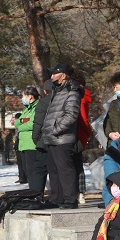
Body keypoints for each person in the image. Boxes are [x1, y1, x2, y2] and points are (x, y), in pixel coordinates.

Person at [42, 63, 82, 209]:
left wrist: (55, 129)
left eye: (54, 74)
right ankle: (56, 198)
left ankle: (70, 199)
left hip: (62, 138)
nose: (51, 77)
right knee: (53, 171)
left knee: (65, 170)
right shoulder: (57, 91)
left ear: (63, 75)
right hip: (52, 138)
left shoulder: (72, 91)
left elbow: (71, 115)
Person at [14, 87, 40, 191]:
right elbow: (16, 122)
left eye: (23, 96)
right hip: (23, 144)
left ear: (30, 96)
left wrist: (21, 126)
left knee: (32, 170)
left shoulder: (37, 107)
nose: (22, 98)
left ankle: (36, 191)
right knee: (26, 170)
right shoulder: (26, 109)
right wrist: (22, 121)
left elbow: (33, 123)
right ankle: (32, 190)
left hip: (31, 143)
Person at [73, 72, 92, 205]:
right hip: (80, 133)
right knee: (77, 163)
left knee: (75, 164)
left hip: (76, 132)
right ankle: (80, 193)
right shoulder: (84, 95)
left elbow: (83, 117)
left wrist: (87, 130)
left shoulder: (79, 96)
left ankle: (78, 192)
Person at [31, 81, 52, 197]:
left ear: (45, 91)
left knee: (39, 170)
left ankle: (36, 196)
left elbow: (38, 123)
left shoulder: (43, 102)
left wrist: (36, 139)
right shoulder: (66, 99)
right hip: (62, 141)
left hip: (45, 141)